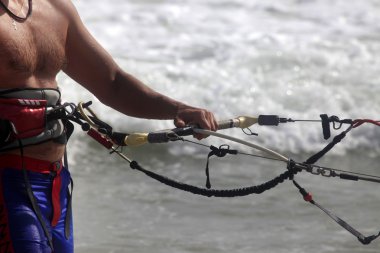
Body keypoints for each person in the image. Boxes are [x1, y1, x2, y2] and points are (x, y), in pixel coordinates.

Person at [0, 0, 218, 252]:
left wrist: (178, 110)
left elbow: (112, 83)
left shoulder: (55, 8)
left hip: (55, 185)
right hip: (7, 186)